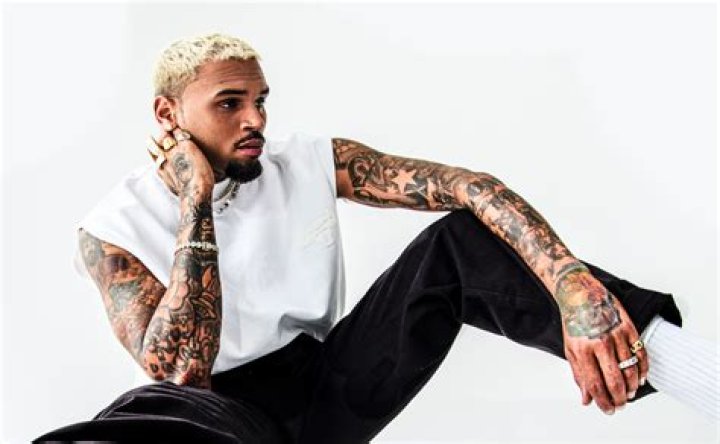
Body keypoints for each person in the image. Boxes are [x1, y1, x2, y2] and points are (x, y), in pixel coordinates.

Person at [34, 33, 717, 443]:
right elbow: (181, 373)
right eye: (229, 104)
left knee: (460, 245)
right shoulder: (111, 227)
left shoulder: (306, 160)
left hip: (326, 389)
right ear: (168, 115)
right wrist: (195, 200)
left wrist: (573, 289)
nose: (255, 120)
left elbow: (469, 187)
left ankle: (693, 372)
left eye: (261, 100)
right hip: (206, 416)